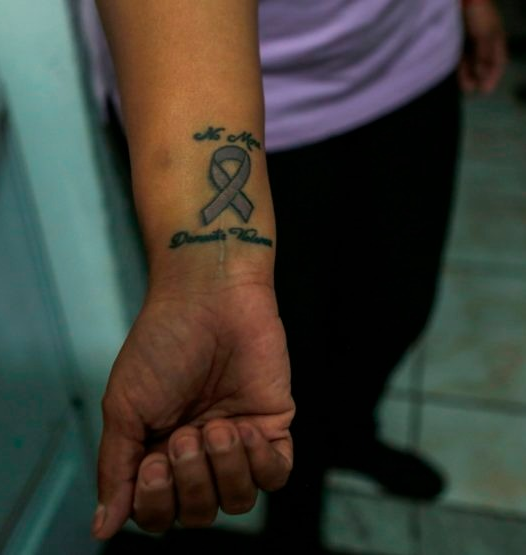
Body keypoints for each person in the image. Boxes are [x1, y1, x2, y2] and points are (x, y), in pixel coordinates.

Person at [88, 1, 506, 552]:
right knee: (280, 355)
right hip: (233, 82)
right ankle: (296, 506)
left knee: (397, 306)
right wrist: (206, 276)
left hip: (407, 54)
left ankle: (350, 434)